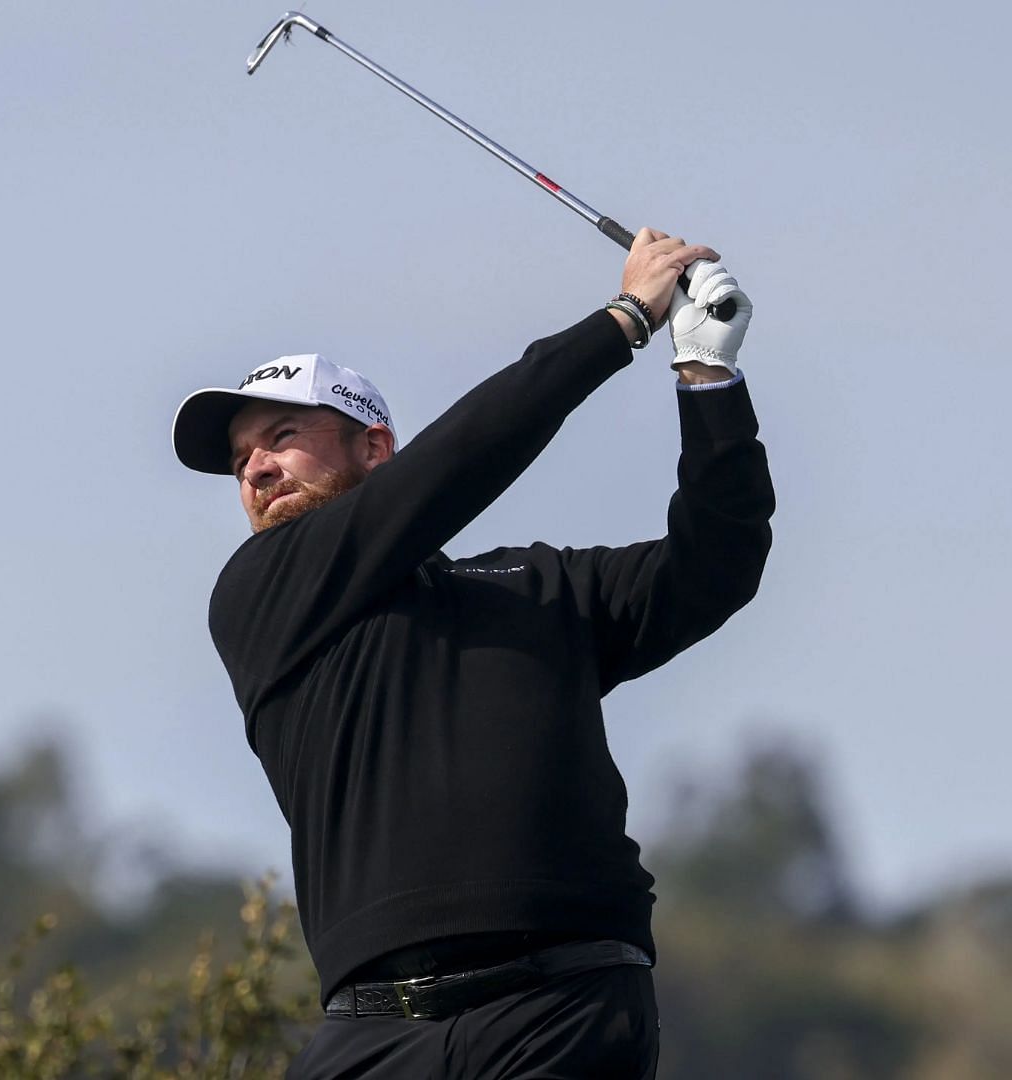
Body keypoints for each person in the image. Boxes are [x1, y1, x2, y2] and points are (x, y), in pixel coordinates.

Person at [170, 230, 771, 1078]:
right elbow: (458, 463)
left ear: (374, 447)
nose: (257, 469)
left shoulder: (535, 587)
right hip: (375, 1033)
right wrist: (624, 319)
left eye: (282, 436)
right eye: (241, 462)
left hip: (562, 1008)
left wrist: (707, 378)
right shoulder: (264, 594)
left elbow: (716, 564)